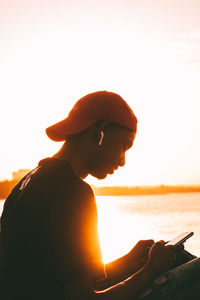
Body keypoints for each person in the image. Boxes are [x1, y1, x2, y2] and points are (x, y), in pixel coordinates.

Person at [0, 91, 179, 300]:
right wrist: (151, 269)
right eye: (124, 146)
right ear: (100, 132)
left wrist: (129, 262)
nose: (122, 161)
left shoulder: (26, 183)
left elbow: (62, 282)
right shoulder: (73, 191)